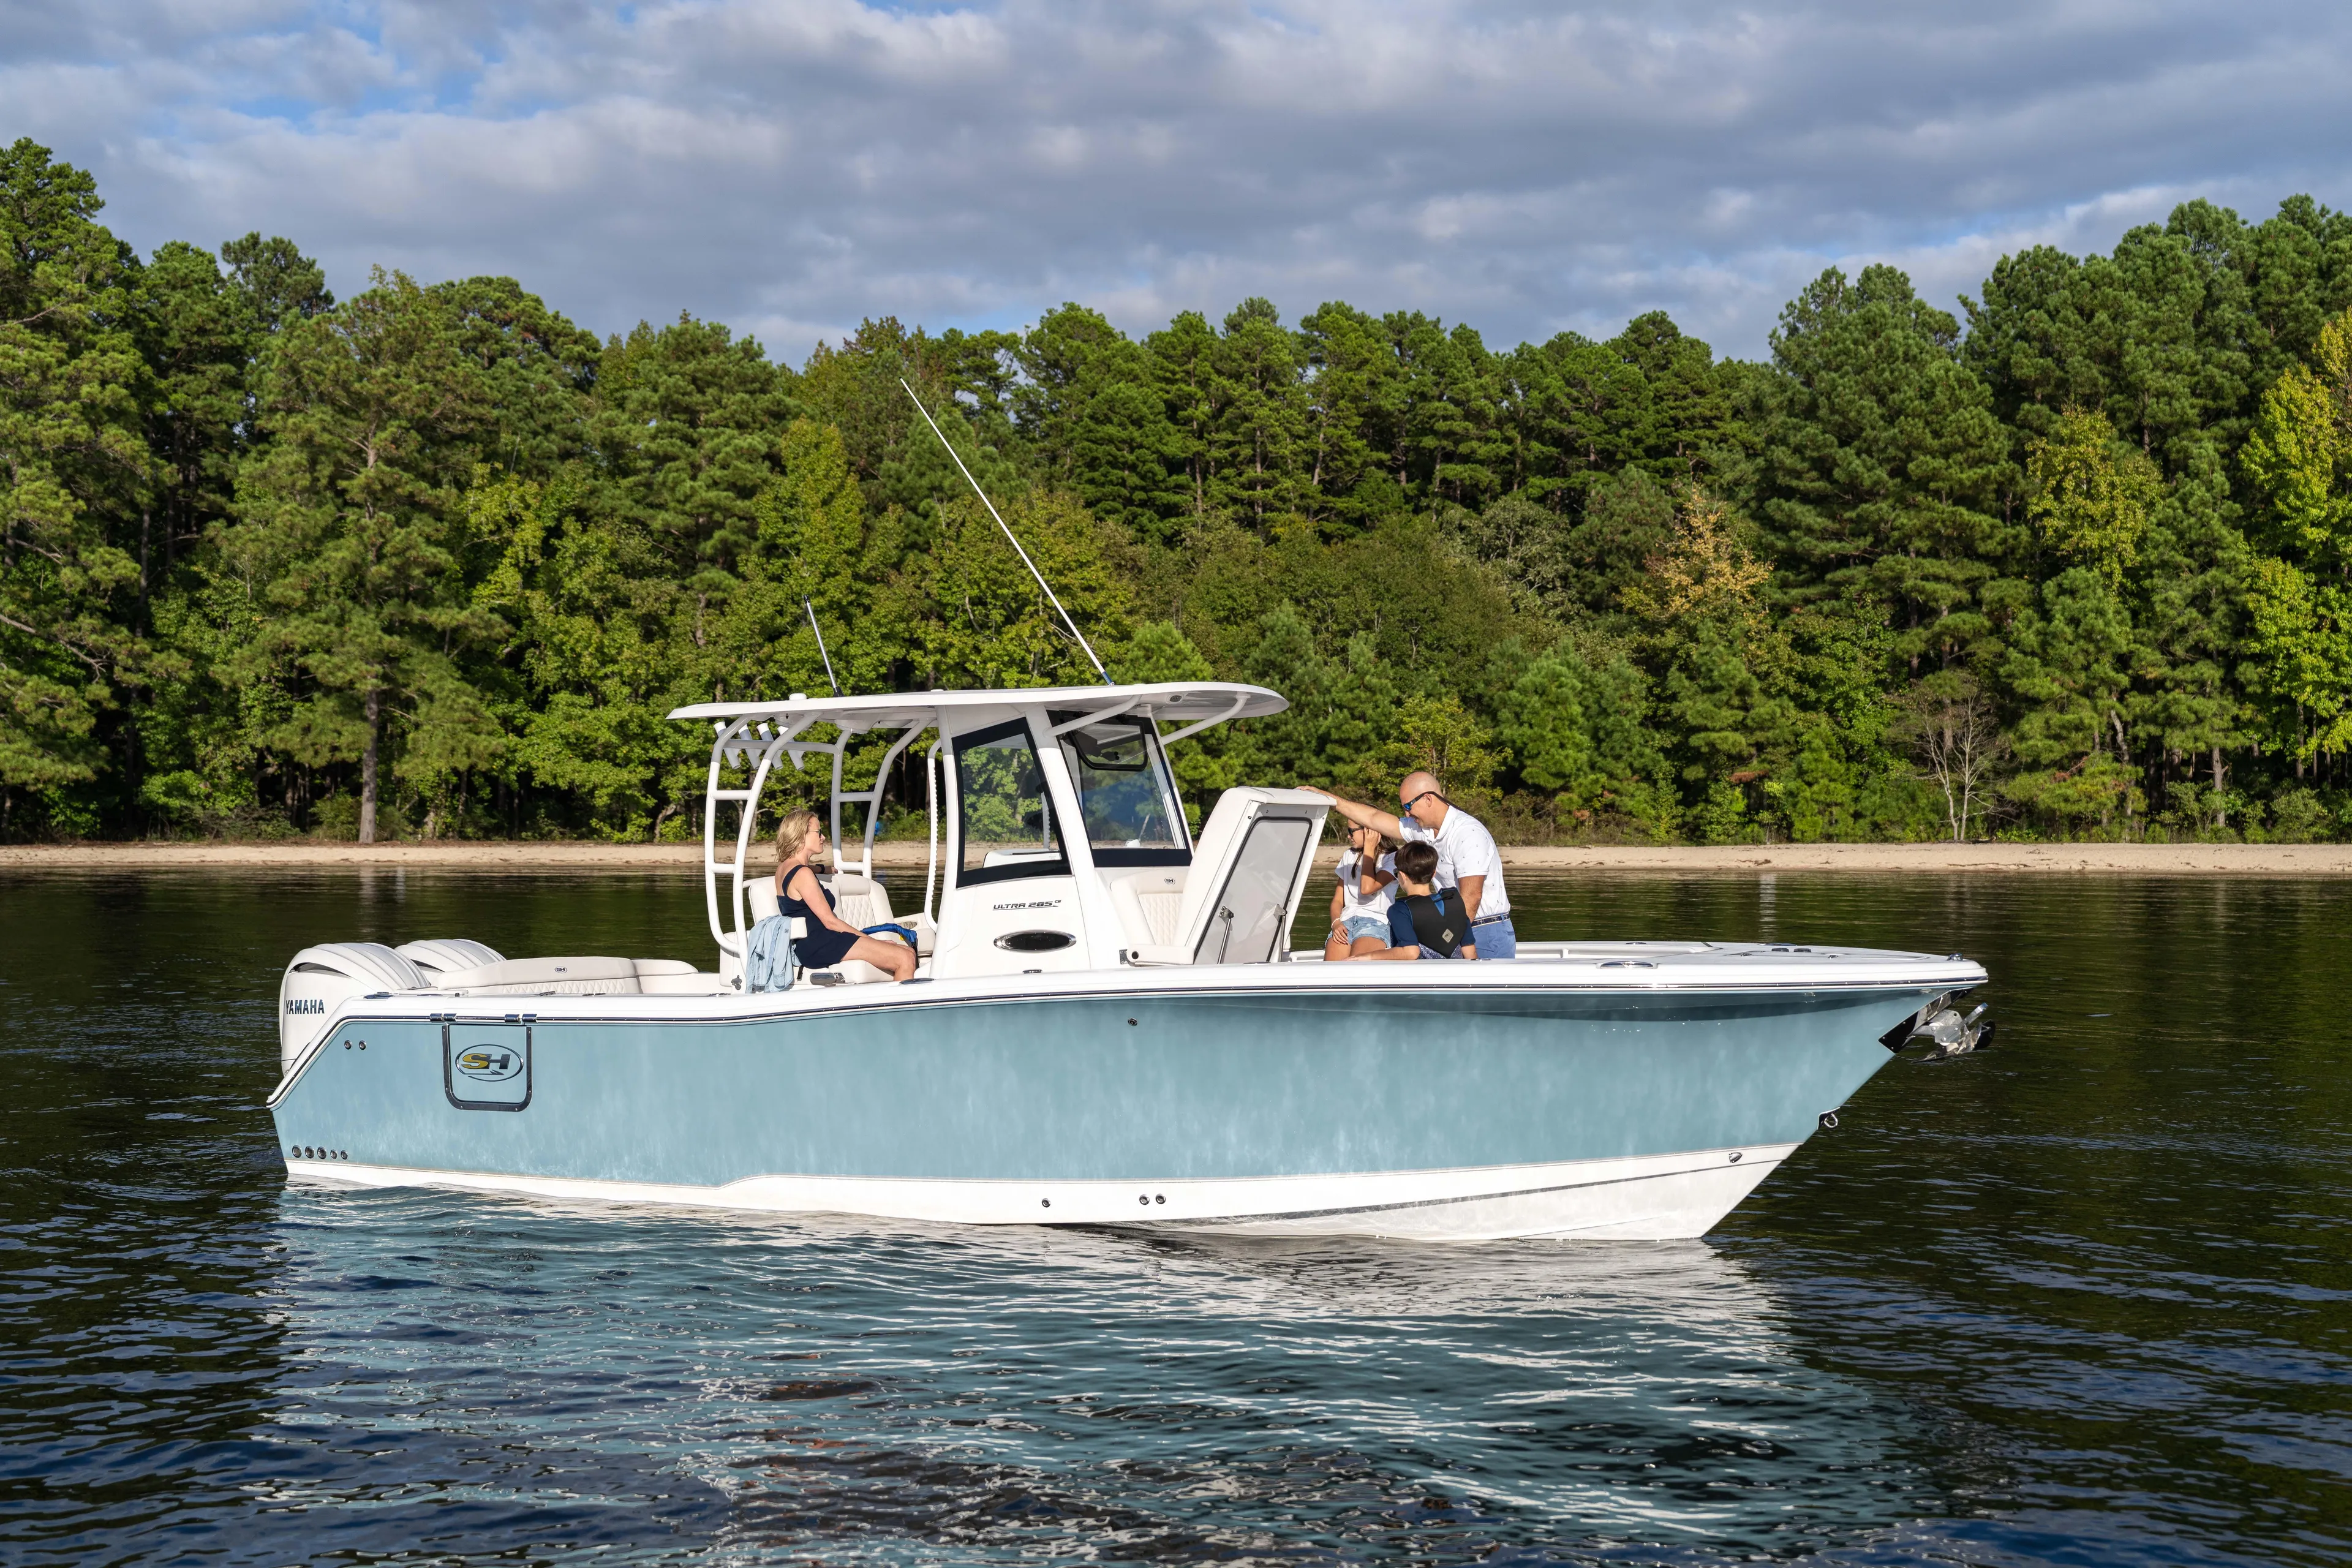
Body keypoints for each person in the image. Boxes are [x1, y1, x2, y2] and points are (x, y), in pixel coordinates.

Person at [1303, 770, 1515, 959]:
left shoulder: (1467, 833)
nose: (1406, 814)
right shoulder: (1422, 829)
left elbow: (1472, 896)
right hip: (1455, 928)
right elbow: (1373, 817)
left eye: (1407, 806)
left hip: (1484, 931)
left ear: (1428, 800)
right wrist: (1329, 799)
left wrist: (1448, 941)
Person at [772, 809, 918, 982]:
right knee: (905, 958)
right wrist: (872, 941)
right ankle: (896, 1007)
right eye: (818, 832)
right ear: (801, 835)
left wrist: (824, 869)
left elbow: (805, 870)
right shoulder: (803, 874)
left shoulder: (785, 868)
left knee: (908, 951)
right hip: (819, 944)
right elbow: (830, 922)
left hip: (813, 943)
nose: (823, 837)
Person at [1349, 841, 1473, 960]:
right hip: (1455, 978)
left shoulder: (1400, 909)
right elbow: (1470, 953)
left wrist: (1369, 956)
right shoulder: (1454, 902)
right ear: (1434, 873)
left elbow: (1411, 952)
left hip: (1422, 979)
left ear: (1402, 876)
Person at [1322, 820, 1397, 962]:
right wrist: (1336, 923)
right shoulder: (1348, 856)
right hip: (1345, 922)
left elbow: (1367, 889)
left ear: (1370, 831)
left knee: (1355, 973)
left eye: (1352, 831)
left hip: (1375, 922)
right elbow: (1338, 900)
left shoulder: (1392, 858)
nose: (1349, 836)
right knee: (1330, 974)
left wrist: (1369, 848)